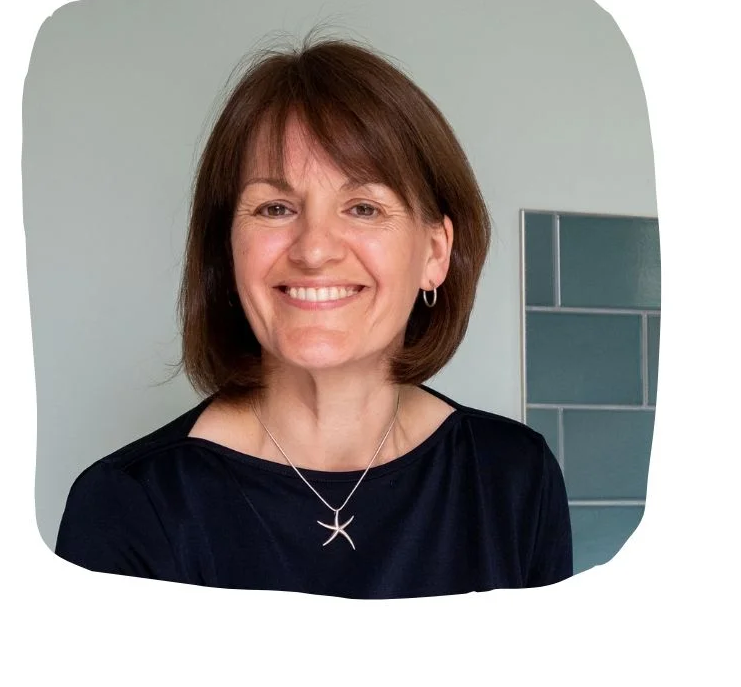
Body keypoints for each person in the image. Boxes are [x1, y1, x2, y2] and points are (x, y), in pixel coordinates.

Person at [55, 36, 573, 598]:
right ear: (228, 249)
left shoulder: (514, 479)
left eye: (363, 207)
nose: (314, 249)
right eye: (275, 208)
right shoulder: (125, 506)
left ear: (434, 253)